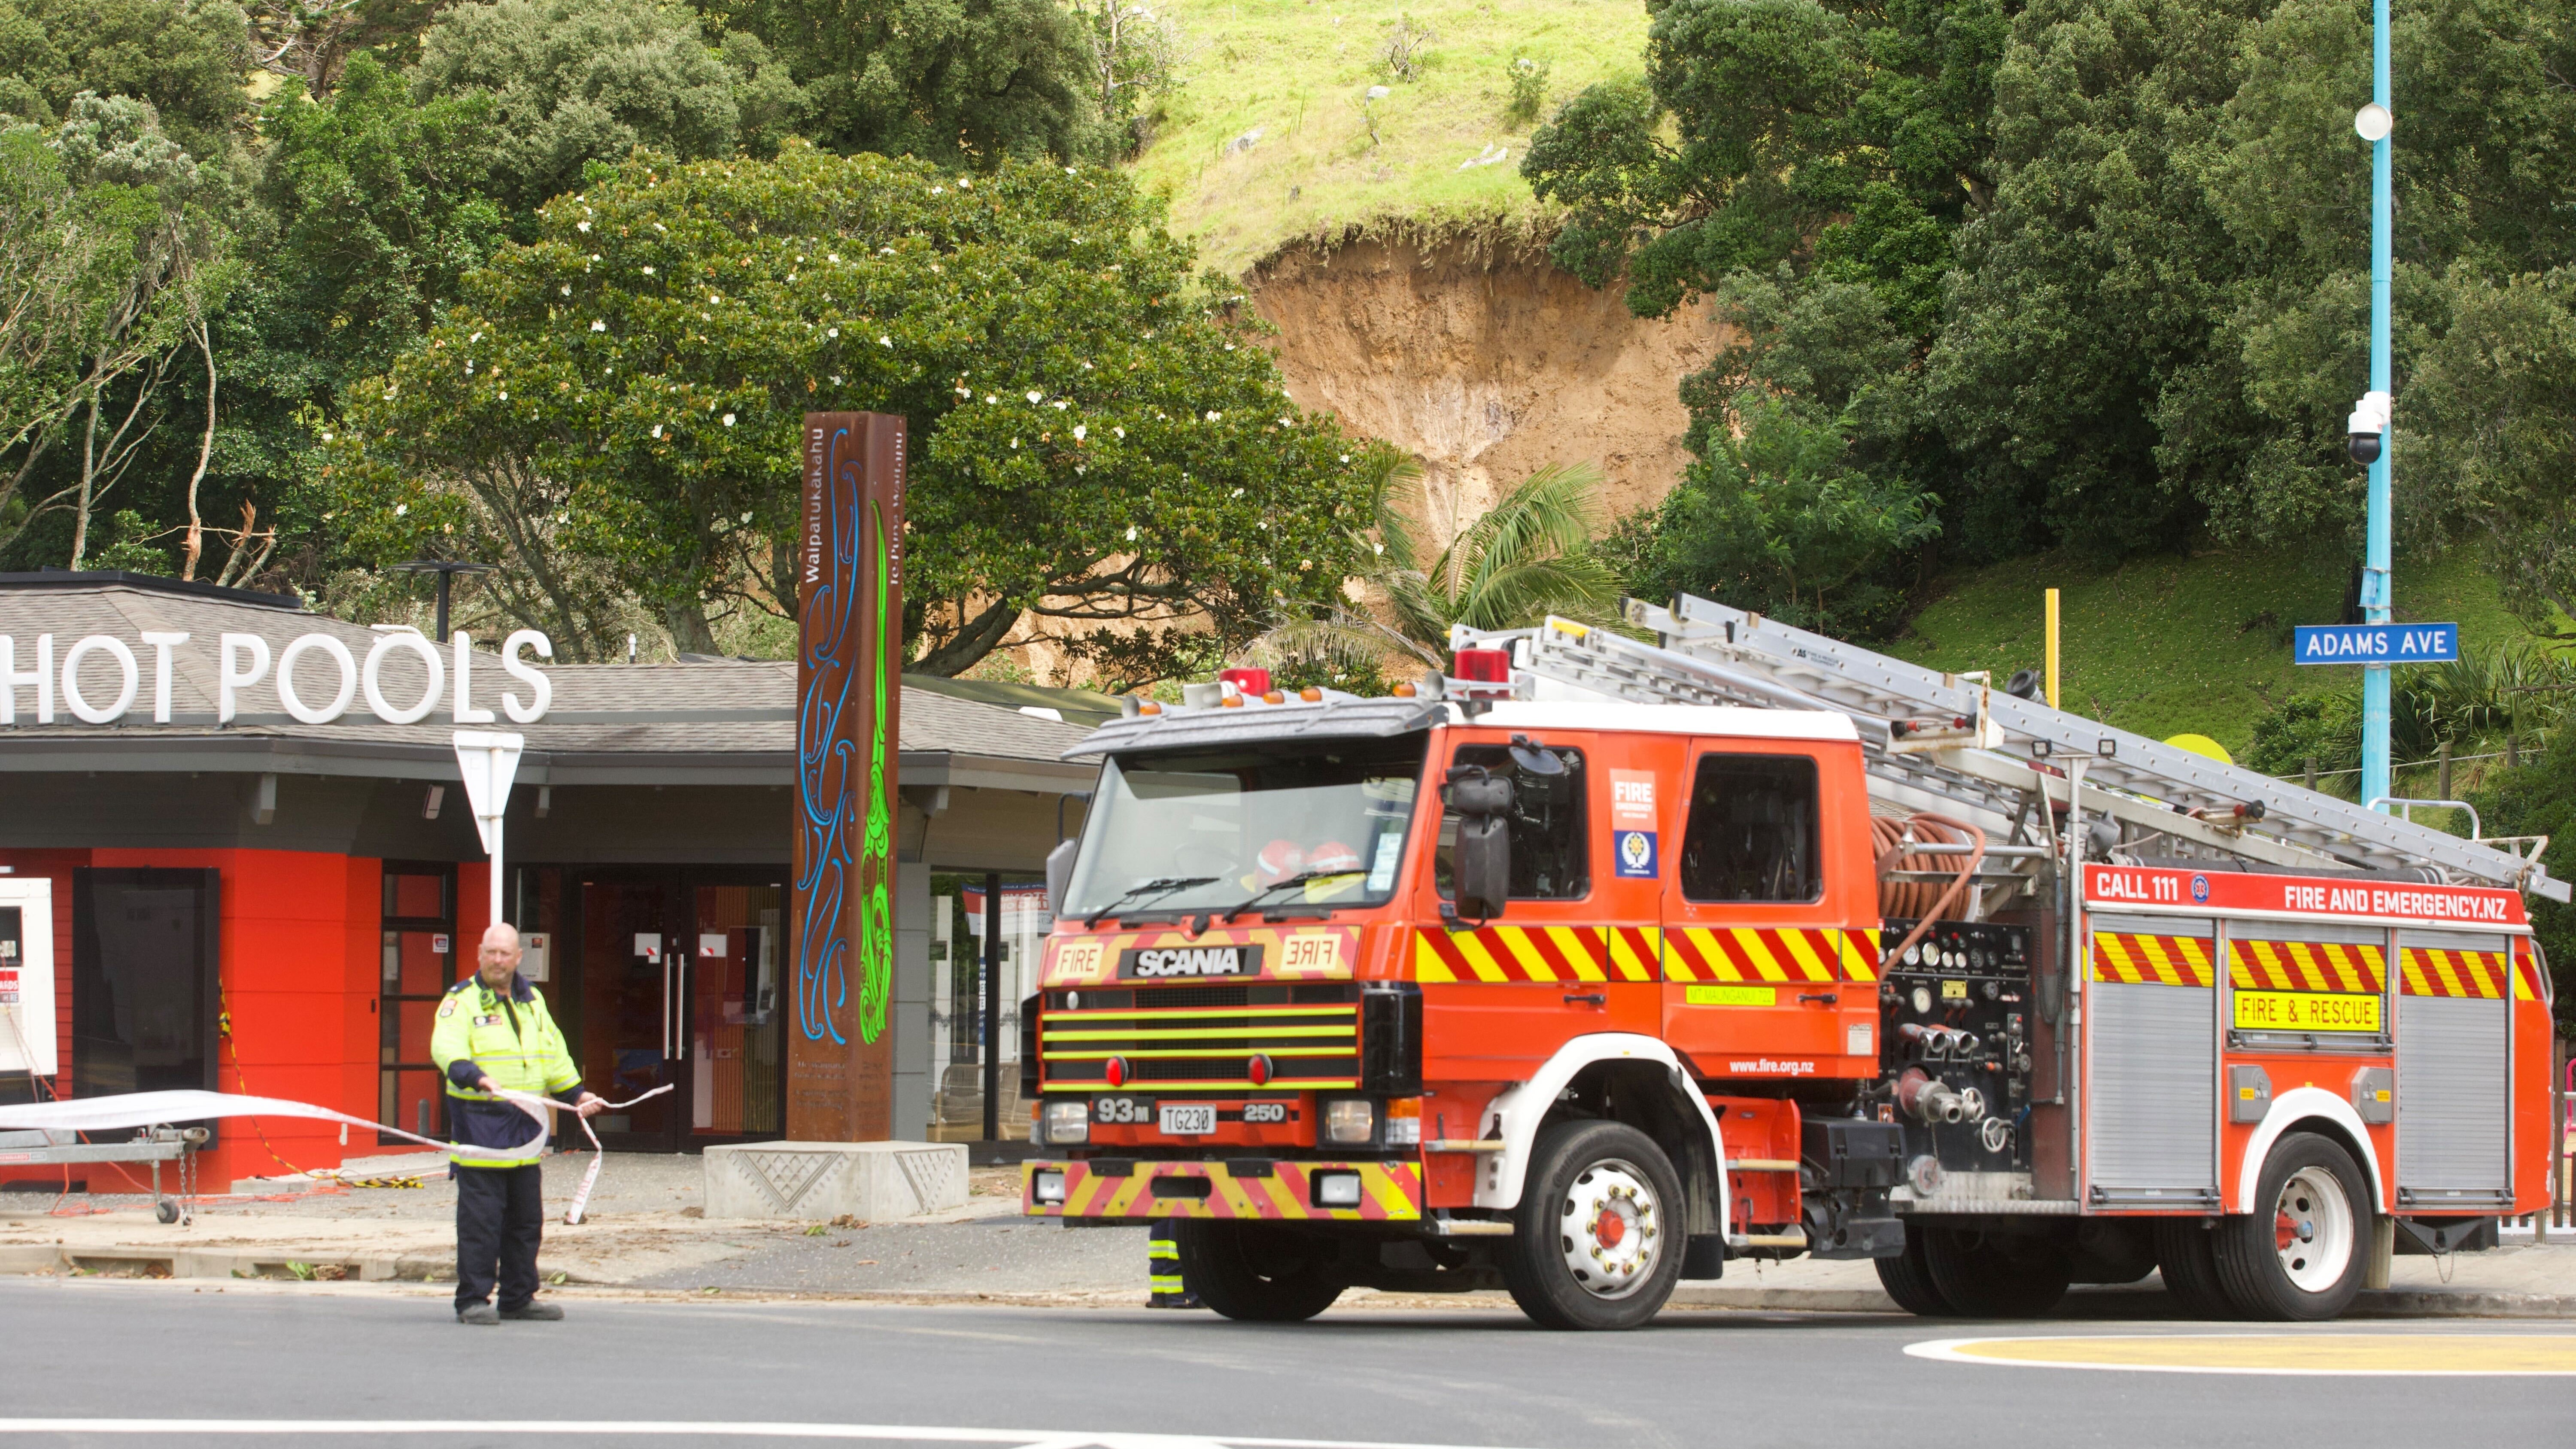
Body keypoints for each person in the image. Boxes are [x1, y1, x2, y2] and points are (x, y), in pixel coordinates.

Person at [430, 922, 602, 1325]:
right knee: (481, 1222)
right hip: (481, 1128)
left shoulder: (532, 1000)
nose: (497, 960)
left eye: (505, 953)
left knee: (526, 1220)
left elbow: (552, 1054)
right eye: (491, 952)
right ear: (479, 953)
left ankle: (518, 1297)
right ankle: (473, 1300)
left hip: (526, 1131)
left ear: (518, 957)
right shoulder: (463, 1000)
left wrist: (577, 1094)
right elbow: (446, 1047)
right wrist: (477, 1077)